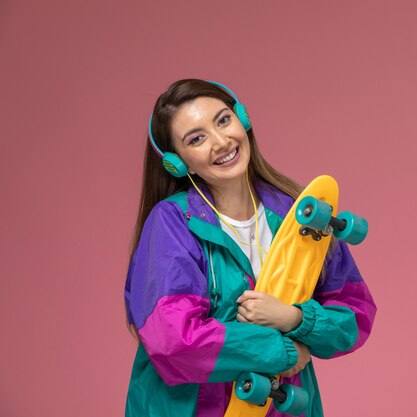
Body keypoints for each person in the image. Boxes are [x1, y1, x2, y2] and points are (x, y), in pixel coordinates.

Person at [123, 79, 376, 417]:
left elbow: (354, 316)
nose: (220, 141)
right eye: (196, 139)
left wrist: (295, 318)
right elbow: (173, 339)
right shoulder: (171, 223)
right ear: (177, 162)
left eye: (224, 120)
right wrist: (282, 351)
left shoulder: (298, 214)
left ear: (242, 118)